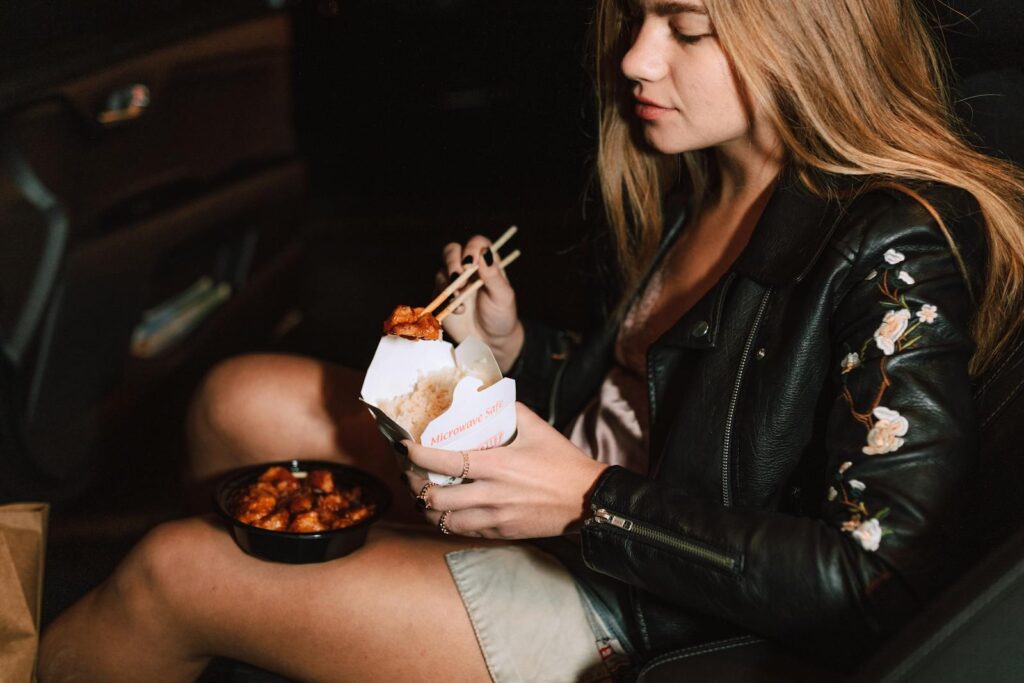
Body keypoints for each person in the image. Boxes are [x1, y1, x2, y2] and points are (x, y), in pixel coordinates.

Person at [40, 0, 1024, 681]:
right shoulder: (715, 176)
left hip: (641, 603)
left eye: (688, 29)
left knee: (175, 573)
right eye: (641, 19)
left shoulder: (893, 239)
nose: (637, 58)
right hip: (577, 503)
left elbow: (880, 579)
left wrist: (589, 504)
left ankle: (210, 617)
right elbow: (663, 403)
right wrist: (514, 353)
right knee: (235, 393)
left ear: (814, 40)